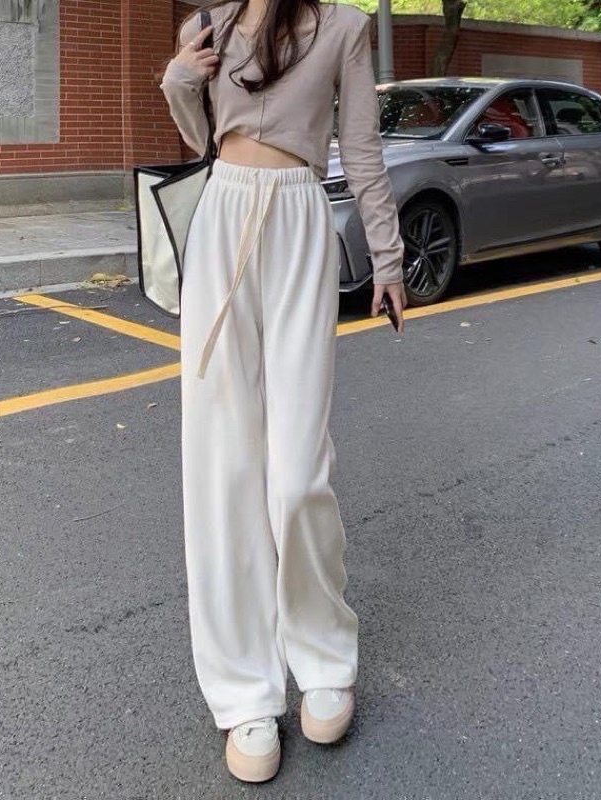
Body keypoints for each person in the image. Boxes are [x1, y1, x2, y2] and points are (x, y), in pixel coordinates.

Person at [161, 0, 406, 783]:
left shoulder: (345, 28)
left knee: (298, 470)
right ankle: (244, 690)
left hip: (301, 225)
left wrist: (388, 257)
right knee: (224, 464)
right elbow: (199, 141)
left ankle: (323, 654)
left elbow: (360, 149)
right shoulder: (207, 24)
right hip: (222, 220)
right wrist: (178, 80)